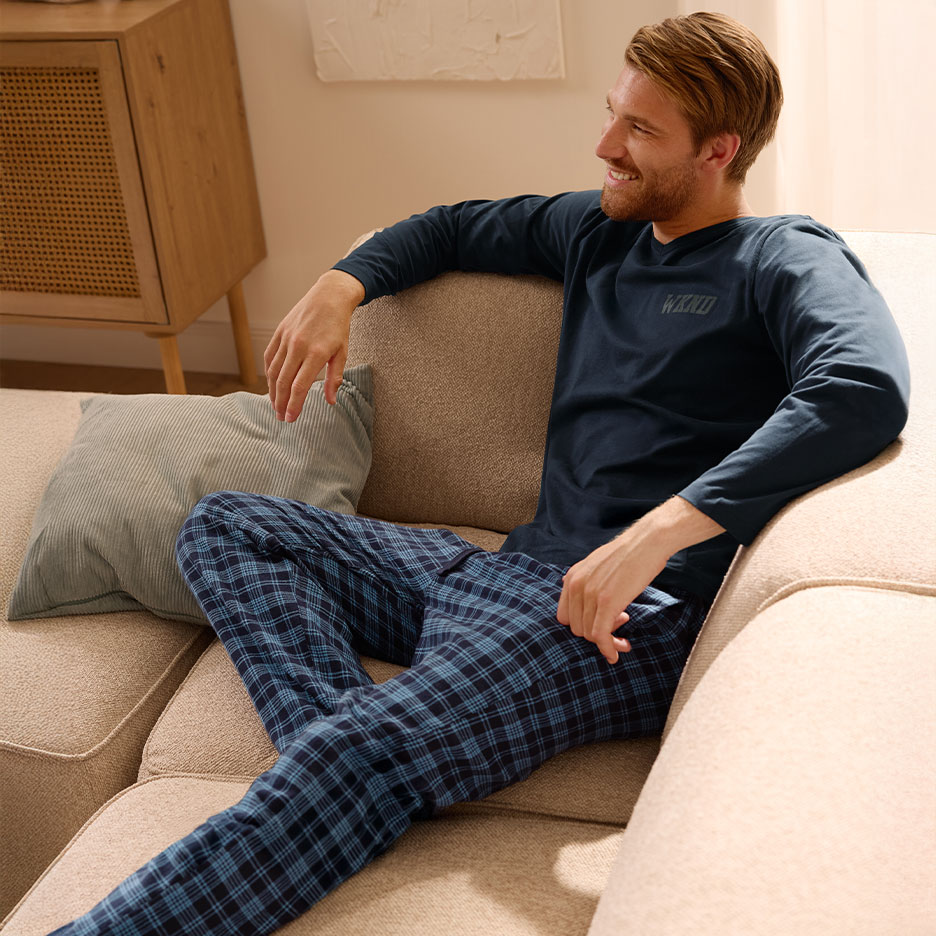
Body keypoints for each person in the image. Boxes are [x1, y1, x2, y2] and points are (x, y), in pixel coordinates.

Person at [52, 11, 909, 936]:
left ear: (718, 150)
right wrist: (340, 286)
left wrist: (659, 535)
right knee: (227, 524)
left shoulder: (781, 256)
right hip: (496, 570)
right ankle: (361, 772)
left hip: (617, 618)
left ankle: (349, 773)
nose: (605, 145)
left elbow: (860, 390)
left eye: (640, 130)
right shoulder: (600, 232)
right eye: (612, 112)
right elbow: (448, 229)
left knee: (356, 754)